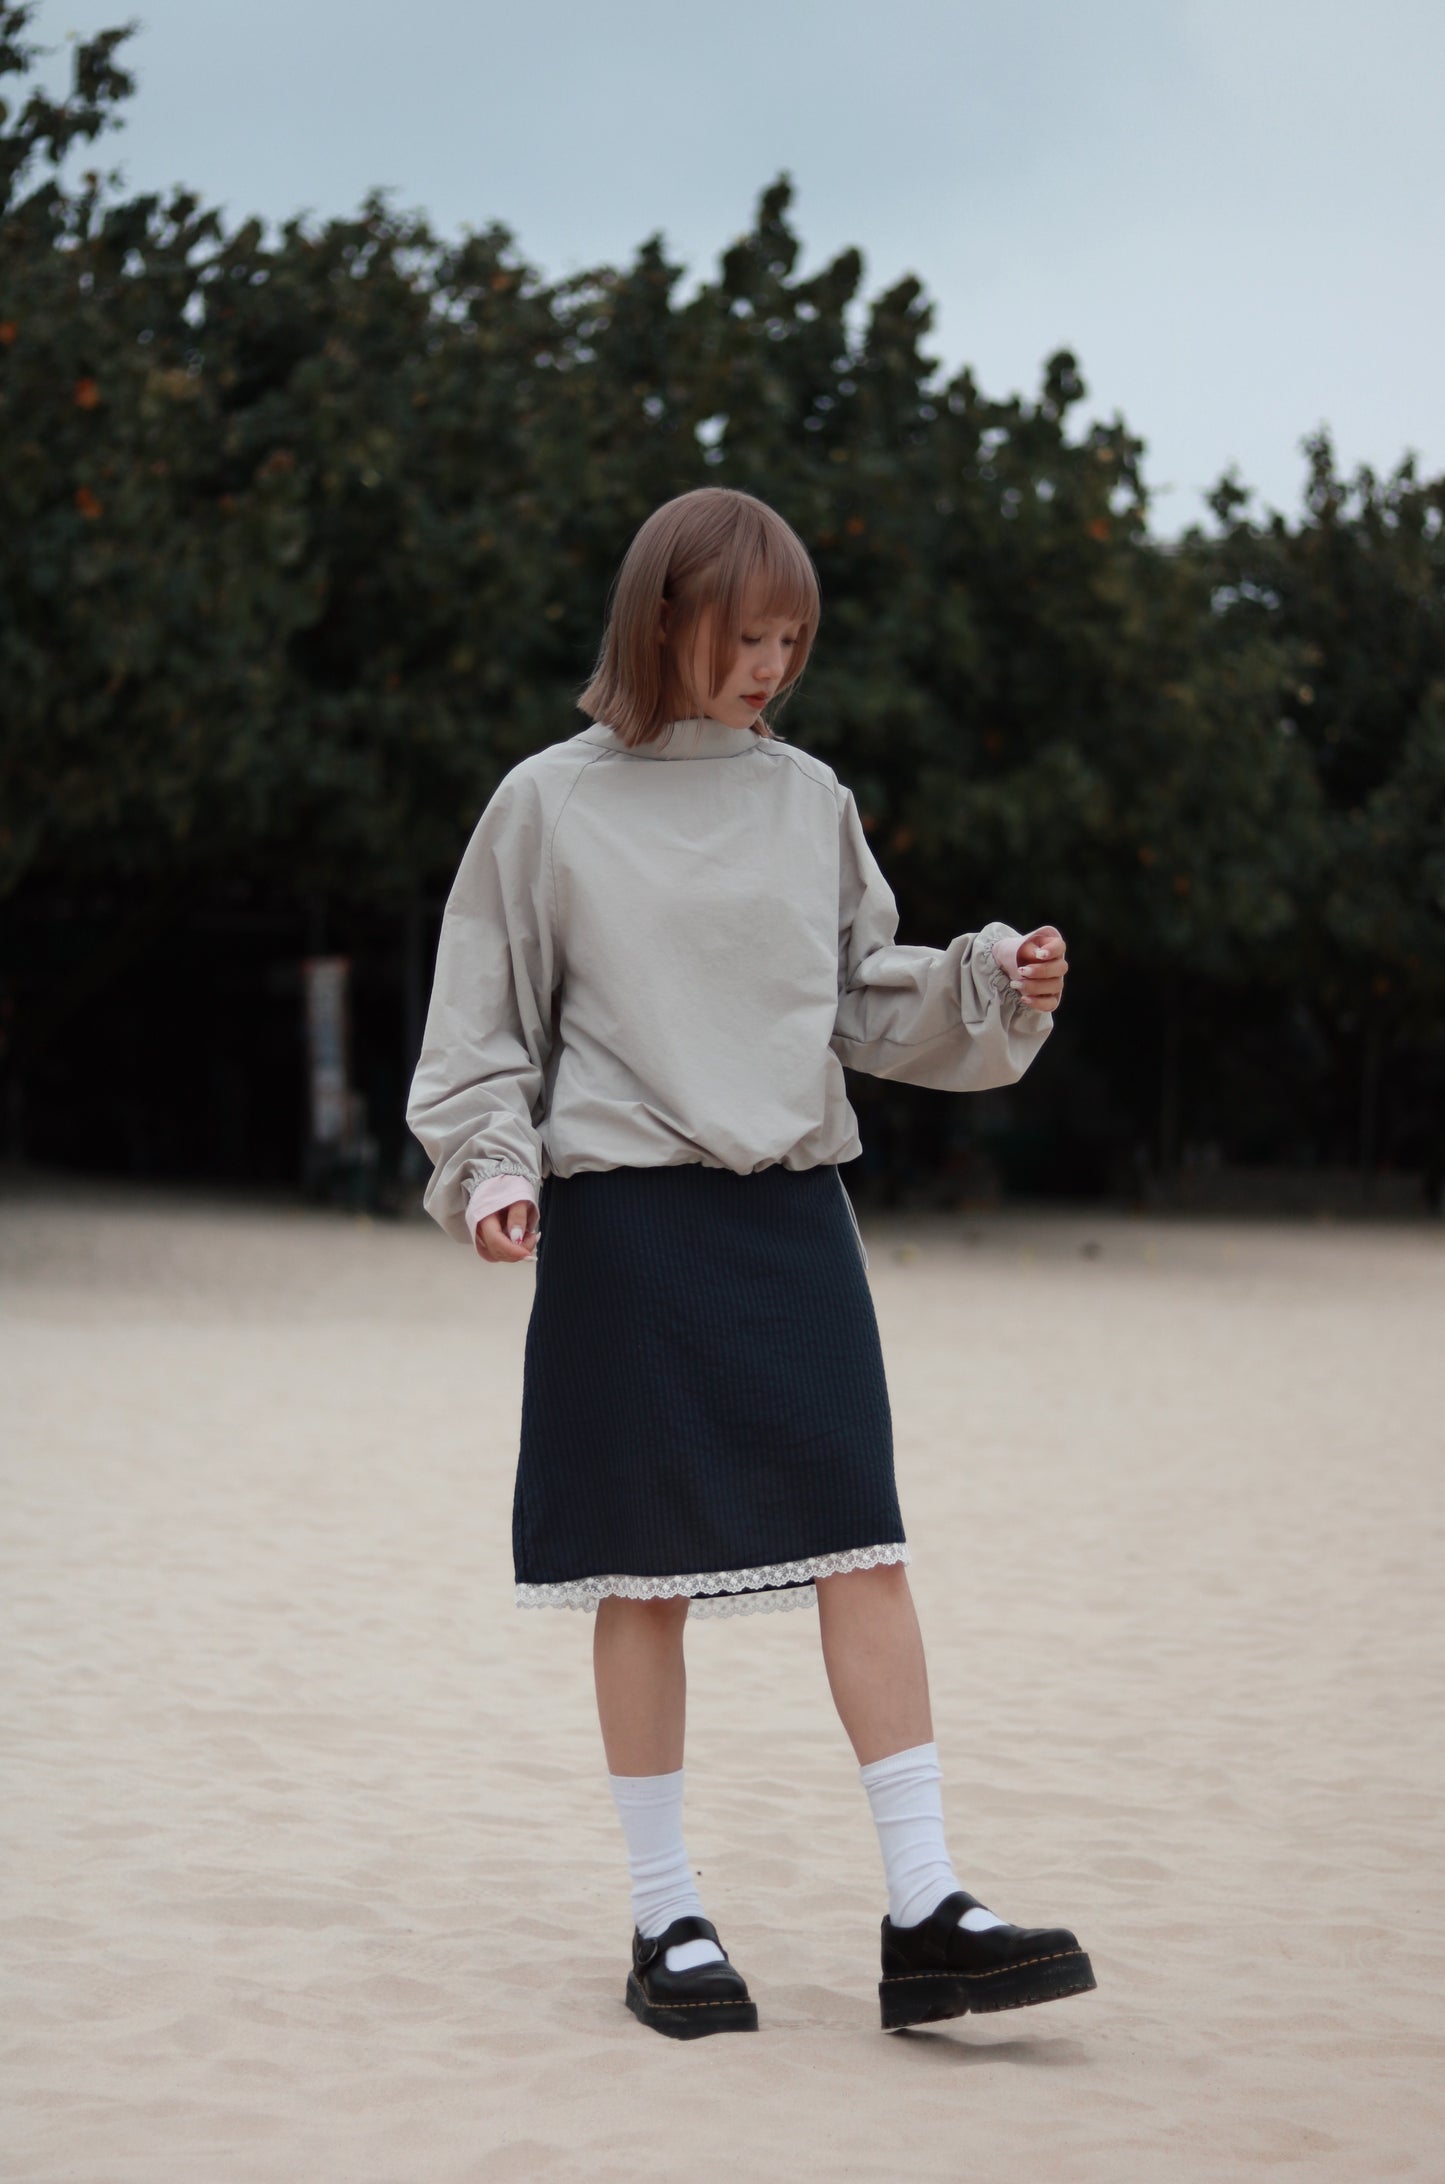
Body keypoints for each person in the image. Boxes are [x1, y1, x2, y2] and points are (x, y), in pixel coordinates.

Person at [407, 486, 1095, 2041]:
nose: (770, 664)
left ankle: (926, 1906)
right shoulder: (547, 804)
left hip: (792, 1217)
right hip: (630, 1226)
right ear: (663, 621)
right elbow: (480, 1027)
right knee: (640, 1575)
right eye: (744, 635)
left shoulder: (809, 801)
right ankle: (668, 1921)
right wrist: (495, 1170)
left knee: (864, 1538)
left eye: (791, 638)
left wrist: (989, 974)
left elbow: (858, 998)